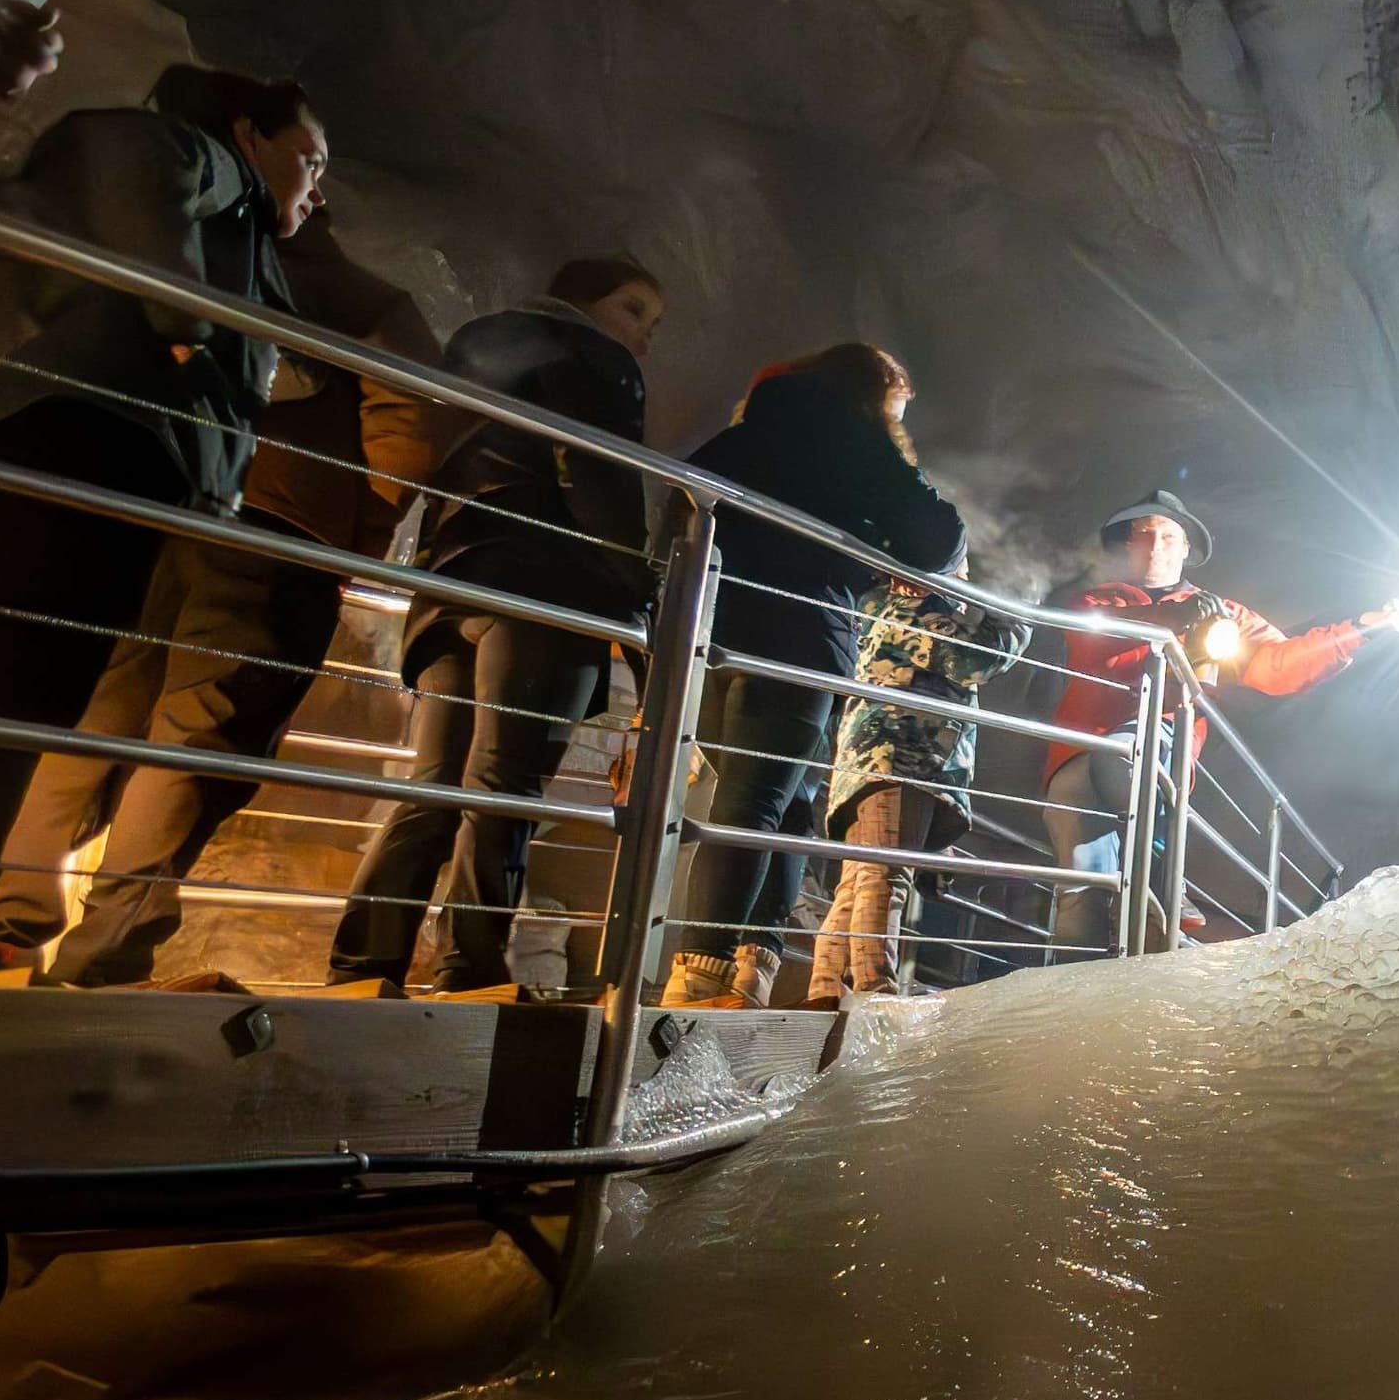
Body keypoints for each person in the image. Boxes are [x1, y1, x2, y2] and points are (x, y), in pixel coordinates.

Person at [0, 201, 440, 982]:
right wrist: (362, 526)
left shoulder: (186, 252)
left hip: (162, 506)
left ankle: (14, 922)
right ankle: (103, 960)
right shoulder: (360, 295)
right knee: (205, 734)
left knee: (100, 711)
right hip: (277, 527)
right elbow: (409, 421)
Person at [0, 65, 323, 847]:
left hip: (104, 444)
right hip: (92, 440)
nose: (317, 189)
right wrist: (183, 308)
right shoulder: (213, 164)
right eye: (310, 160)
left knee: (43, 694)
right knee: (26, 690)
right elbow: (132, 150)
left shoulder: (242, 230)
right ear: (249, 134)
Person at [326, 255, 665, 995]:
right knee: (504, 783)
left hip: (450, 584)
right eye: (636, 310)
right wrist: (639, 583)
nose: (644, 338)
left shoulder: (477, 343)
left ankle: (363, 961)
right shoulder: (596, 358)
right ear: (584, 299)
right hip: (545, 589)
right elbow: (603, 482)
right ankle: (469, 966)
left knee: (437, 782)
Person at [660, 343, 962, 1006]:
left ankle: (750, 967)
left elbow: (681, 504)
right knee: (759, 799)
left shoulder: (749, 433)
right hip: (800, 633)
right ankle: (705, 971)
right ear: (872, 395)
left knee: (785, 803)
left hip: (711, 632)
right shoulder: (846, 435)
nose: (894, 423)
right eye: (895, 410)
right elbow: (937, 535)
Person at [1040, 488, 1399, 957]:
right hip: (1076, 752)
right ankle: (1065, 1000)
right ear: (1127, 545)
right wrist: (1175, 615)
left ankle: (1163, 887)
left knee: (1129, 764)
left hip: (1151, 742)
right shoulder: (1096, 601)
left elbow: (1276, 665)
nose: (1155, 546)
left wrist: (1357, 630)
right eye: (1144, 535)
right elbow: (1095, 642)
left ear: (1186, 549)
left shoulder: (1220, 612)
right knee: (1079, 888)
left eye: (1169, 536)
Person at [804, 557, 1028, 1003]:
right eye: (960, 564)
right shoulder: (906, 601)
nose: (966, 576)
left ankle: (825, 991)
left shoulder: (885, 599)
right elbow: (971, 660)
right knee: (884, 876)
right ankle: (874, 991)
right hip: (897, 755)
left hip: (882, 759)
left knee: (860, 880)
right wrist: (1017, 618)